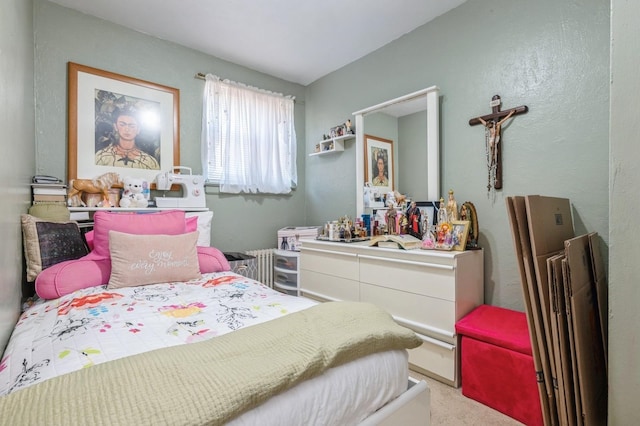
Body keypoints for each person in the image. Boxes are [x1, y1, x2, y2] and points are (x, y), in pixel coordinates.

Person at [95, 107, 160, 169]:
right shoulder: (102, 156)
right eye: (122, 125)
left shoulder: (149, 162)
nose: (127, 129)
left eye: (132, 126)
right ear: (115, 127)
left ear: (138, 129)